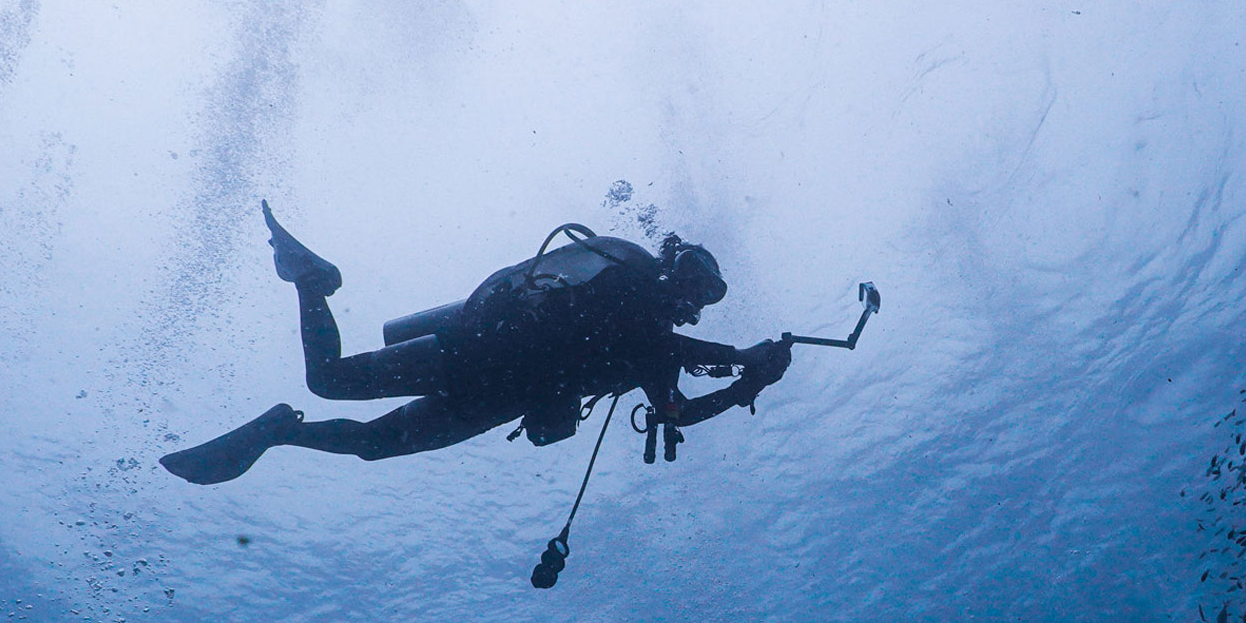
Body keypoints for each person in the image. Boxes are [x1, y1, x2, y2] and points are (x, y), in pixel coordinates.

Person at [159, 202, 792, 485]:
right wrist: (744, 367)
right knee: (332, 384)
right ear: (675, 270)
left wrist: (746, 382)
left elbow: (672, 407)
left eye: (708, 296)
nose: (695, 302)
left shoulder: (648, 329)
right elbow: (667, 359)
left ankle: (279, 428)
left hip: (487, 391)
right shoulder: (631, 287)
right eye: (698, 286)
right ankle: (312, 283)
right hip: (479, 357)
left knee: (370, 439)